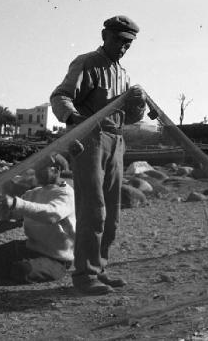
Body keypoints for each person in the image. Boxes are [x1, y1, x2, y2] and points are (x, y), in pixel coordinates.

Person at [50, 15, 147, 295]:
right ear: (105, 35)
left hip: (116, 142)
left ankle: (99, 269)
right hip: (90, 140)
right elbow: (60, 96)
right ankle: (85, 276)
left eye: (128, 43)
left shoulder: (124, 74)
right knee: (93, 211)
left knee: (112, 215)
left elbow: (128, 116)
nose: (123, 47)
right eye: (119, 40)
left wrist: (138, 106)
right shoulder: (87, 63)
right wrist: (74, 118)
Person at [0, 158, 75, 284]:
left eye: (41, 169)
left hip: (56, 258)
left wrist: (16, 203)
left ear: (56, 170)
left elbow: (51, 215)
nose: (37, 172)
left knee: (22, 269)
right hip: (32, 248)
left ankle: (47, 270)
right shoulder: (33, 193)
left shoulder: (67, 194)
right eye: (36, 168)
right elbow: (11, 215)